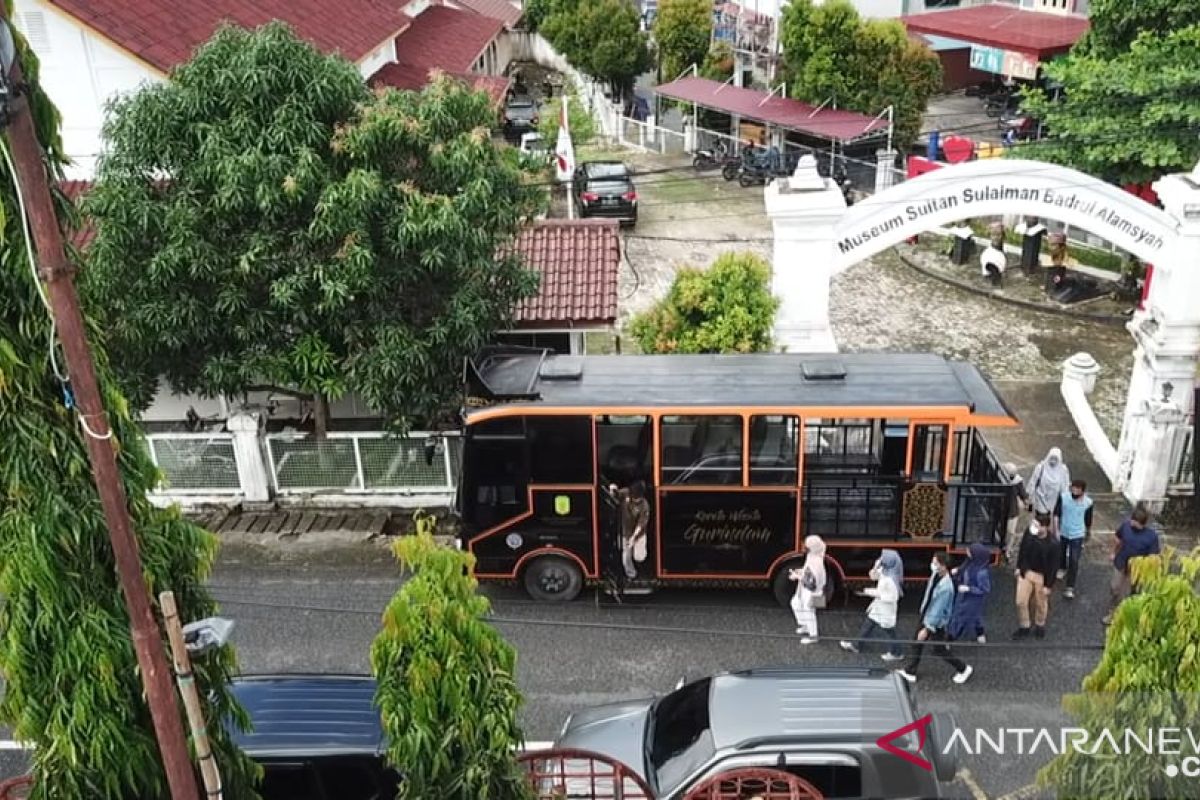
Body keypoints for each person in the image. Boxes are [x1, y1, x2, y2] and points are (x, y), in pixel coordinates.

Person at [897, 552, 973, 685]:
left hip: (934, 621)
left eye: (936, 563)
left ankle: (963, 668)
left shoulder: (946, 587)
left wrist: (926, 629)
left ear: (943, 566)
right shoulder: (936, 575)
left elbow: (937, 610)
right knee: (918, 643)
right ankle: (911, 671)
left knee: (937, 648)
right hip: (928, 616)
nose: (933, 565)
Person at [840, 550, 904, 661]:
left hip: (886, 609)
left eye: (882, 558)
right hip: (879, 607)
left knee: (889, 631)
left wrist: (869, 592)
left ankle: (896, 653)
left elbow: (893, 597)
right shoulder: (885, 571)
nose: (880, 559)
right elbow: (873, 576)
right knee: (868, 624)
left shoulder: (891, 579)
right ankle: (856, 646)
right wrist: (876, 566)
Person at [1104, 505, 1161, 625]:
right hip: (1120, 563)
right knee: (1115, 588)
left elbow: (1153, 557)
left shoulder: (1151, 537)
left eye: (1136, 523)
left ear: (1143, 524)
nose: (1133, 524)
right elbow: (1117, 538)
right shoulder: (1125, 526)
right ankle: (1113, 609)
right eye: (1132, 521)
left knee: (1125, 593)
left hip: (1135, 570)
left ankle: (1119, 616)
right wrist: (1113, 552)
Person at [1013, 515, 1061, 640]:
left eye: (1038, 526)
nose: (1035, 528)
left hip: (1042, 576)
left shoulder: (1053, 544)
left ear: (1045, 527)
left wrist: (1048, 585)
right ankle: (1025, 625)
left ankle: (1040, 624)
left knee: (1041, 603)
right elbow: (1022, 550)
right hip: (1027, 572)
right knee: (1020, 601)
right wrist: (1019, 567)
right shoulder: (1029, 534)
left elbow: (1053, 566)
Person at [1053, 479, 1093, 599]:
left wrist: (1088, 532)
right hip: (1064, 531)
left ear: (1082, 490)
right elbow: (1056, 513)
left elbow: (1088, 519)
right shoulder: (1064, 497)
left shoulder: (1088, 503)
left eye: (1077, 489)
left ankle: (1070, 587)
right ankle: (1062, 567)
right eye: (1073, 488)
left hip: (1078, 534)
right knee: (1061, 552)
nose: (1074, 491)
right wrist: (1056, 530)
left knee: (1074, 560)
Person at [949, 543, 992, 644]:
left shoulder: (982, 573)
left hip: (973, 599)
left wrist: (969, 589)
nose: (967, 553)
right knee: (975, 616)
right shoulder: (970, 562)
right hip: (964, 595)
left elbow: (985, 589)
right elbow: (963, 569)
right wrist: (958, 571)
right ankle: (980, 633)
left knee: (961, 616)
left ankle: (951, 637)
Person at [789, 535, 826, 645]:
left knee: (809, 611)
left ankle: (813, 636)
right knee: (795, 603)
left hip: (813, 591)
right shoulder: (812, 556)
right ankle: (805, 626)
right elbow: (808, 571)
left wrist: (797, 576)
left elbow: (812, 582)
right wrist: (800, 572)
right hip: (806, 588)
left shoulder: (816, 561)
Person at [608, 481, 649, 581]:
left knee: (639, 557)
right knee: (626, 556)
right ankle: (631, 574)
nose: (634, 500)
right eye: (633, 497)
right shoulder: (626, 492)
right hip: (625, 533)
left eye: (637, 498)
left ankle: (639, 564)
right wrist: (612, 489)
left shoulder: (644, 505)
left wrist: (633, 538)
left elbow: (641, 524)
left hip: (639, 534)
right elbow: (615, 495)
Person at [1026, 447, 1070, 518]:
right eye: (1051, 458)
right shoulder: (1040, 467)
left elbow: (1065, 485)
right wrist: (1029, 496)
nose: (1053, 461)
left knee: (1052, 519)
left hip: (1054, 499)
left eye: (1056, 459)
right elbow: (1033, 481)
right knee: (1041, 517)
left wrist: (1065, 500)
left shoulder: (1063, 470)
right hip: (1041, 497)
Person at [1002, 462, 1029, 565]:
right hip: (1003, 509)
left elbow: (1023, 495)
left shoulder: (1017, 482)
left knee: (1011, 532)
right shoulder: (1003, 479)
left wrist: (1028, 506)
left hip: (1012, 511)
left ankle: (1008, 551)